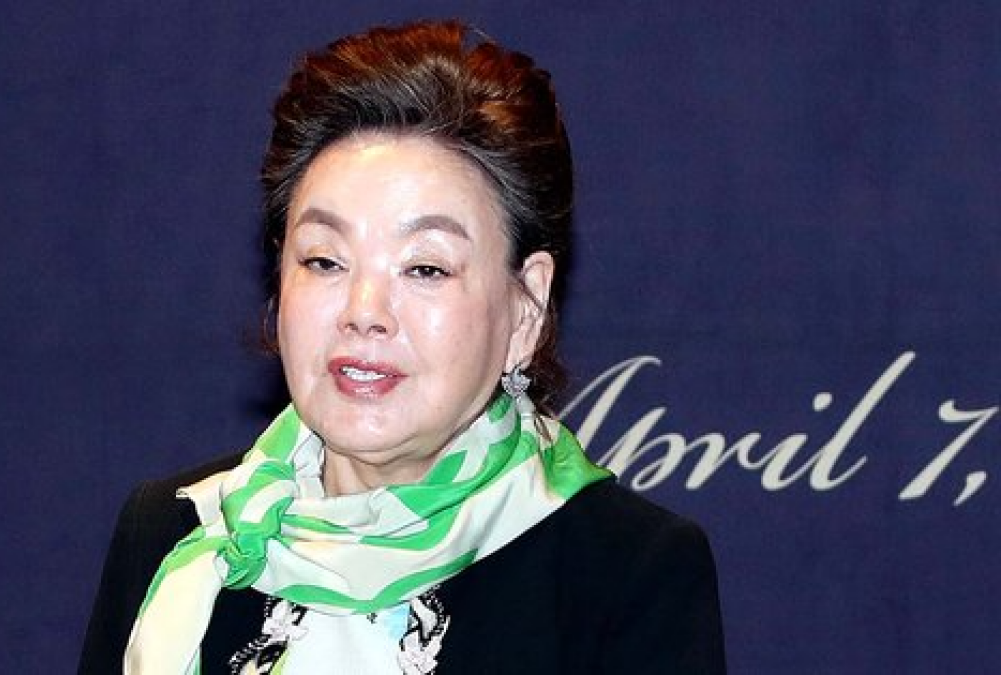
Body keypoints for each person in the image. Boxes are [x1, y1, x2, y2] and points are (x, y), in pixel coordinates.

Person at [79, 20, 725, 675]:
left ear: (525, 308)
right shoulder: (174, 534)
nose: (363, 312)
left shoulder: (624, 574)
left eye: (425, 268)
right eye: (325, 260)